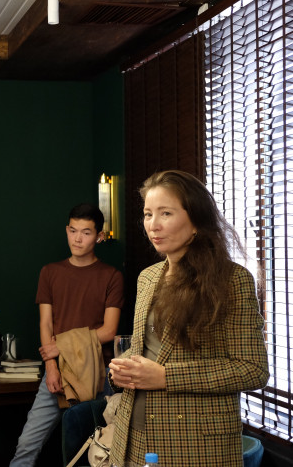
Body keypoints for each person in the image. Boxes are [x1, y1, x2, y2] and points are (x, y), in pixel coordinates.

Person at [108, 170, 269, 467]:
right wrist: (123, 368)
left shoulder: (232, 280)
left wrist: (165, 377)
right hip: (131, 435)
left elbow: (252, 369)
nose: (153, 225)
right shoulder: (148, 277)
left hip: (193, 443)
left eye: (166, 213)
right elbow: (149, 349)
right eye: (148, 214)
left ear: (196, 220)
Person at [10, 203, 124, 467]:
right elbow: (45, 324)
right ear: (66, 230)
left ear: (99, 236)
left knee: (96, 451)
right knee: (26, 445)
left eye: (86, 232)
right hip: (58, 370)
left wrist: (61, 346)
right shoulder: (50, 272)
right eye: (73, 231)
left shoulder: (112, 276)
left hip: (98, 373)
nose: (77, 238)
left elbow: (109, 331)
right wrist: (51, 366)